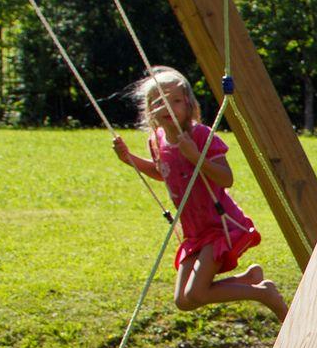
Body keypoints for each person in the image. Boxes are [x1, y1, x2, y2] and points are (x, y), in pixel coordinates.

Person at [112, 66, 287, 320]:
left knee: (197, 292)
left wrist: (195, 157)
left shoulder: (200, 135)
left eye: (176, 100)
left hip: (219, 224)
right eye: (159, 102)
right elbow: (163, 172)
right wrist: (129, 159)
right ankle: (248, 280)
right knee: (183, 300)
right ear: (149, 110)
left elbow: (226, 178)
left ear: (189, 104)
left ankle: (263, 293)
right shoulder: (157, 141)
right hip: (194, 231)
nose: (168, 107)